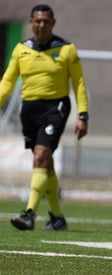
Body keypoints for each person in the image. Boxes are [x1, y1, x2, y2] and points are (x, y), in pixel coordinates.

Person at [0, 4, 89, 231]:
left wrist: (83, 114)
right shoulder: (21, 49)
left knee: (40, 156)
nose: (41, 25)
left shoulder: (67, 49)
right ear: (31, 23)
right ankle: (57, 217)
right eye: (37, 21)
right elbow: (8, 81)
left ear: (53, 23)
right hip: (29, 110)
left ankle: (29, 214)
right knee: (44, 162)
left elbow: (78, 82)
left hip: (56, 107)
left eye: (45, 21)